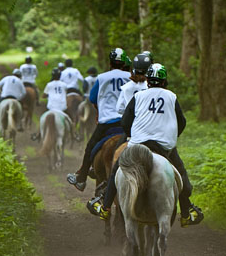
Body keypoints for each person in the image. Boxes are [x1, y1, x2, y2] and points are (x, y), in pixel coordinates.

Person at [87, 63, 204, 227]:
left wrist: (130, 135)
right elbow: (181, 122)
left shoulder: (138, 96)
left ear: (148, 81)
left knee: (116, 171)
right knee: (181, 175)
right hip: (163, 146)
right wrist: (171, 136)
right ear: (164, 82)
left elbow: (125, 121)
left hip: (138, 143)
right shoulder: (171, 96)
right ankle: (186, 212)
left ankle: (105, 207)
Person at [67, 48, 131, 191]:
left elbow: (92, 98)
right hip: (128, 123)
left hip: (108, 122)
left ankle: (81, 178)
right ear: (124, 63)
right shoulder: (131, 76)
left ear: (110, 62)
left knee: (90, 147)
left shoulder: (102, 77)